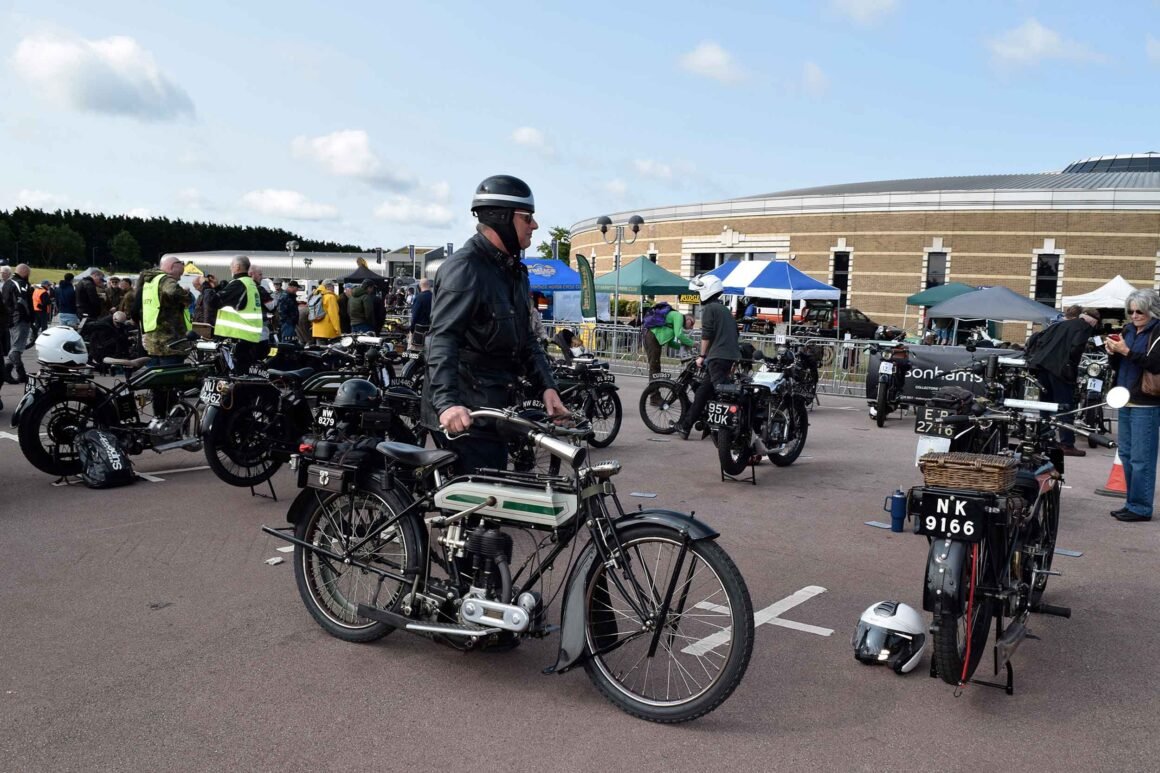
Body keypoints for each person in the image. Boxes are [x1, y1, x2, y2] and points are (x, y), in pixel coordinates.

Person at [423, 174, 565, 474]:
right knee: (476, 505)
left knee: (492, 497)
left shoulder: (513, 271)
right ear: (502, 218)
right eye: (527, 218)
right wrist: (447, 403)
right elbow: (442, 339)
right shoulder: (465, 268)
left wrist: (547, 388)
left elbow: (525, 338)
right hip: (465, 412)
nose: (534, 226)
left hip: (495, 405)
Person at [1104, 289, 1160, 522]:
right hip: (1125, 396)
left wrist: (1126, 351)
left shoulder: (1157, 330)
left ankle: (1141, 507)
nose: (1135, 315)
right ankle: (1132, 502)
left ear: (1152, 310)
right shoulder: (1128, 329)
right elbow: (1120, 363)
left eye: (1140, 311)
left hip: (1146, 401)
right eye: (1131, 311)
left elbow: (1155, 364)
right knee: (1126, 454)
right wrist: (1113, 352)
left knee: (1141, 457)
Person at [1025, 306, 1100, 456]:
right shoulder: (1084, 327)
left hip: (1042, 366)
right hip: (1060, 370)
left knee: (1045, 405)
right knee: (1066, 406)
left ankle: (1044, 439)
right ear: (1093, 321)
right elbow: (1076, 348)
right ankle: (1067, 443)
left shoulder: (1059, 324)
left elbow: (1040, 340)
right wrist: (1072, 366)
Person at [675, 274, 741, 440]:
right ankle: (686, 426)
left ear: (706, 291)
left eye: (698, 293)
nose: (697, 297)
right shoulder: (724, 310)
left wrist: (702, 356)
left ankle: (731, 430)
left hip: (718, 357)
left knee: (723, 395)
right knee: (703, 392)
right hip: (728, 356)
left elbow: (707, 335)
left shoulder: (710, 310)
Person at [137, 255, 193, 367]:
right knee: (170, 379)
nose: (180, 278)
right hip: (170, 341)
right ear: (173, 266)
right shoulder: (166, 280)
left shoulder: (150, 281)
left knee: (155, 379)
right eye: (180, 273)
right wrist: (186, 294)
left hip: (153, 341)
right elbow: (172, 291)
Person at [214, 255, 266, 374]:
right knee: (244, 374)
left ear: (237, 267)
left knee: (237, 374)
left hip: (237, 337)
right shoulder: (250, 284)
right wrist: (217, 287)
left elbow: (214, 301)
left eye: (231, 266)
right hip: (249, 336)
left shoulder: (239, 283)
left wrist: (206, 287)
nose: (230, 269)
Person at [2, 263, 34, 384]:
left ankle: (7, 371)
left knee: (15, 346)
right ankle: (20, 373)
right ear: (25, 272)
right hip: (20, 319)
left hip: (10, 318)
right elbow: (22, 302)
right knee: (17, 347)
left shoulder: (8, 283)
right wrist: (29, 317)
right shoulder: (21, 284)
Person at [644, 305, 695, 377]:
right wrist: (692, 343)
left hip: (653, 338)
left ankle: (655, 386)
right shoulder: (679, 316)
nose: (692, 327)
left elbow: (670, 343)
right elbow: (679, 335)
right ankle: (653, 387)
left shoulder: (675, 323)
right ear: (688, 319)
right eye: (692, 323)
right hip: (652, 337)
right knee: (654, 365)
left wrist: (682, 346)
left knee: (656, 365)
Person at [310, 280, 342, 344]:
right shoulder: (330, 297)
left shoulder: (316, 295)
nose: (334, 288)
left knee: (320, 351)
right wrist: (338, 330)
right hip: (328, 330)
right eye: (333, 287)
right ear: (329, 287)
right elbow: (333, 315)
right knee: (332, 351)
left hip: (316, 329)